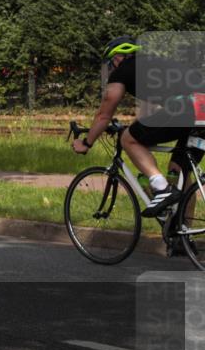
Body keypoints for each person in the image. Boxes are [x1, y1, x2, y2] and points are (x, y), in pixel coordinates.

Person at [72, 36, 203, 218]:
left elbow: (104, 114)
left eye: (109, 64)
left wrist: (87, 143)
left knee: (128, 138)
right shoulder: (156, 64)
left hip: (187, 108)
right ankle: (182, 237)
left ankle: (160, 187)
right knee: (180, 174)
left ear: (117, 57)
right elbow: (153, 113)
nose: (110, 69)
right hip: (199, 110)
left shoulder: (124, 69)